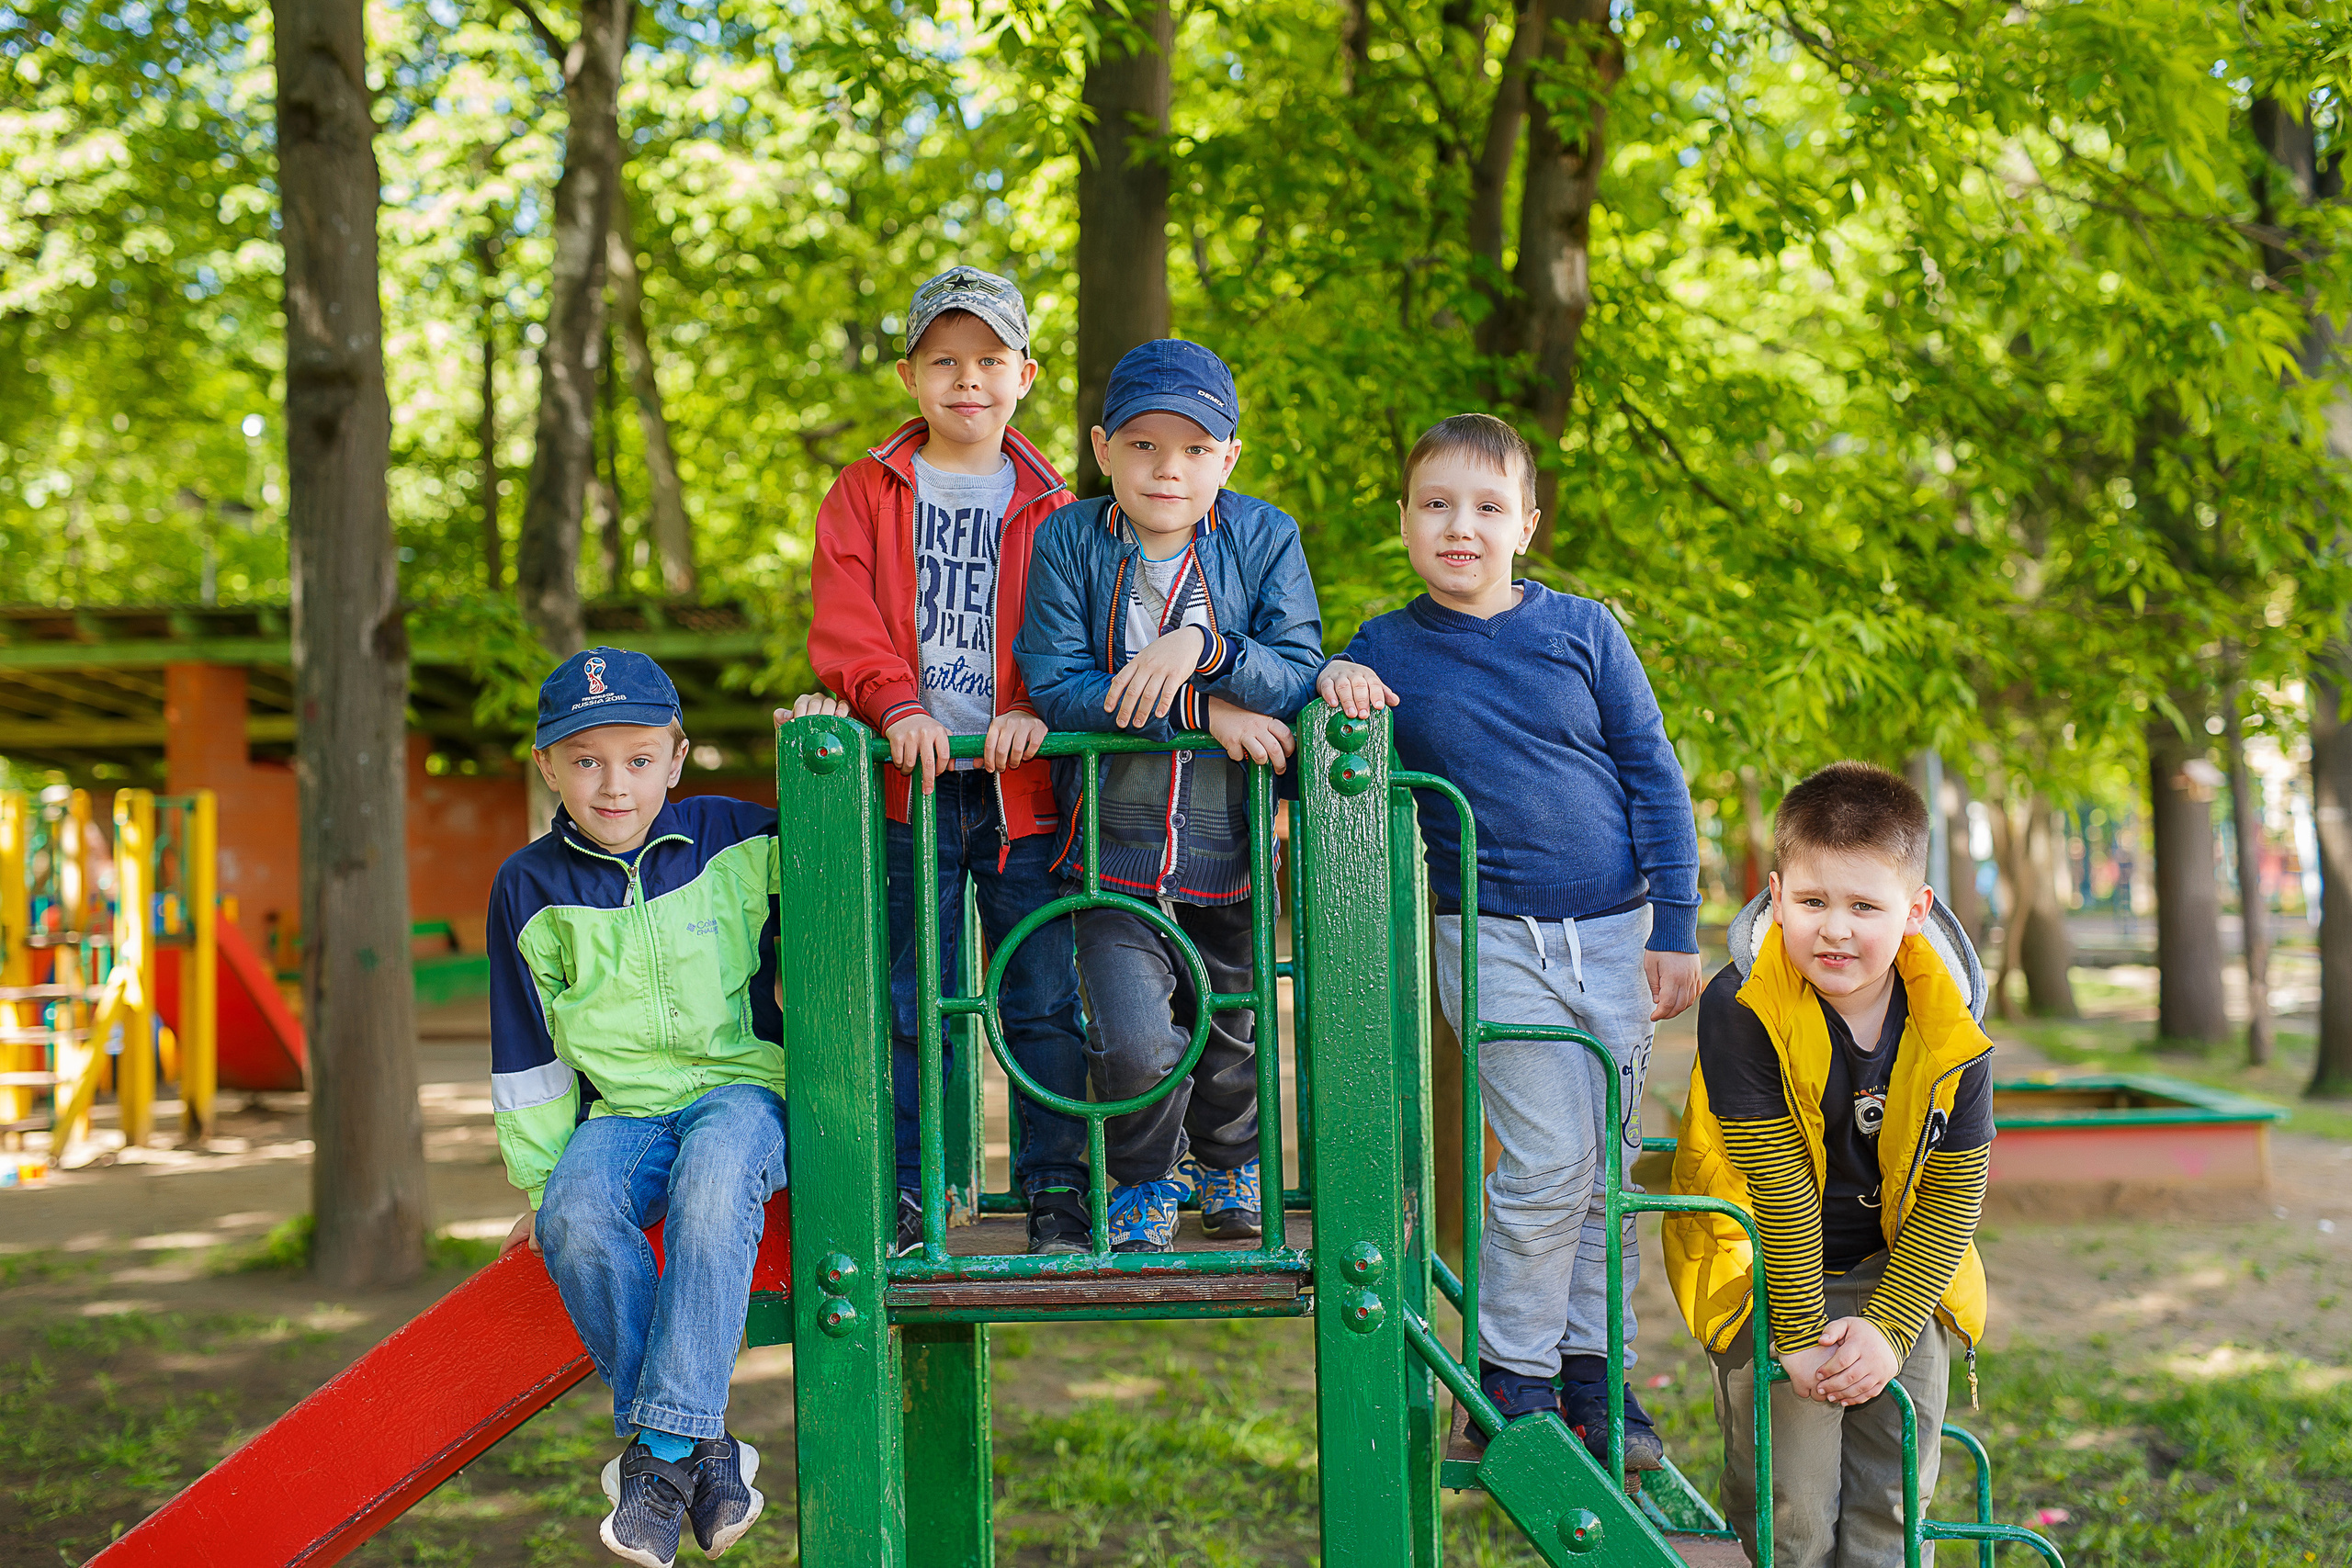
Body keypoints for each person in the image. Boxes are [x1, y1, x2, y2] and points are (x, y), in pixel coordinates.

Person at [1315, 412, 1701, 1477]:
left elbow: (1654, 776)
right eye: (1435, 505)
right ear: (1403, 522)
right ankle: (1512, 1374)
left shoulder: (1583, 630)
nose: (1460, 528)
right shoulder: (1386, 647)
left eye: (1487, 508)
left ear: (1525, 524)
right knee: (1543, 1161)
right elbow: (1318, 692)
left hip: (1619, 935)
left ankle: (1597, 1373)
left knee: (1605, 1173)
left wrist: (1675, 924)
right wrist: (1333, 682)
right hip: (1491, 939)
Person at [797, 265, 1092, 1258]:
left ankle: (1057, 1191)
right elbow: (844, 624)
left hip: (1024, 795)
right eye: (944, 361)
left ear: (1024, 376)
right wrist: (897, 704)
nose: (967, 379)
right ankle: (916, 1188)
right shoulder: (867, 491)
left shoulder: (1059, 507)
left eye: (989, 361)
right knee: (908, 1003)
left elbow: (1076, 636)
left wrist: (1032, 708)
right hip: (907, 789)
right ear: (910, 377)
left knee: (1043, 997)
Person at [1013, 337, 1324, 1252]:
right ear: (1104, 448)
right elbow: (1056, 685)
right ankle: (1146, 1179)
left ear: (1227, 459)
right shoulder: (1070, 540)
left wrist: (1204, 652)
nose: (1167, 468)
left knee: (1231, 1029)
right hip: (1113, 843)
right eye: (1144, 446)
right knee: (1132, 1040)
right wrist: (1200, 711)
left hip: (1228, 842)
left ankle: (1231, 1162)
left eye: (1194, 449)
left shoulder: (1263, 537)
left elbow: (1298, 669)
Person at [488, 647, 785, 1568]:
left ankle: (657, 1458)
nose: (614, 784)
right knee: (574, 1215)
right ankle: (706, 1448)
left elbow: (862, 843)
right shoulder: (527, 888)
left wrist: (820, 744)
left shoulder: (739, 838)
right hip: (620, 1114)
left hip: (741, 1088)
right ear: (547, 767)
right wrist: (539, 1183)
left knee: (714, 1178)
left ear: (678, 757)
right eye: (585, 761)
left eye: (639, 758)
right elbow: (527, 1053)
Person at [1666, 761, 1995, 1568]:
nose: (1835, 929)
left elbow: (1955, 1192)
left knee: (1892, 1508)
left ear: (1915, 911)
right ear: (1776, 895)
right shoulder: (1740, 1002)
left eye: (1864, 906)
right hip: (1770, 1272)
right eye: (1812, 902)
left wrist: (1888, 1328)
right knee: (1792, 1512)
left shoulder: (1953, 1019)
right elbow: (1775, 1179)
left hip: (1905, 1269)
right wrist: (1803, 1336)